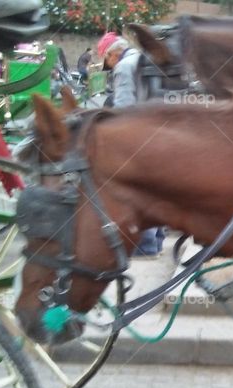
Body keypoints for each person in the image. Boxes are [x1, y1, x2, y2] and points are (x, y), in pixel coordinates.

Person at [97, 32, 165, 257]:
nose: (108, 65)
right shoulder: (145, 58)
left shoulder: (124, 67)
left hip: (139, 135)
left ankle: (145, 245)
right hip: (158, 131)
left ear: (112, 53)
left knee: (136, 189)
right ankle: (155, 242)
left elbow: (124, 108)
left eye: (106, 60)